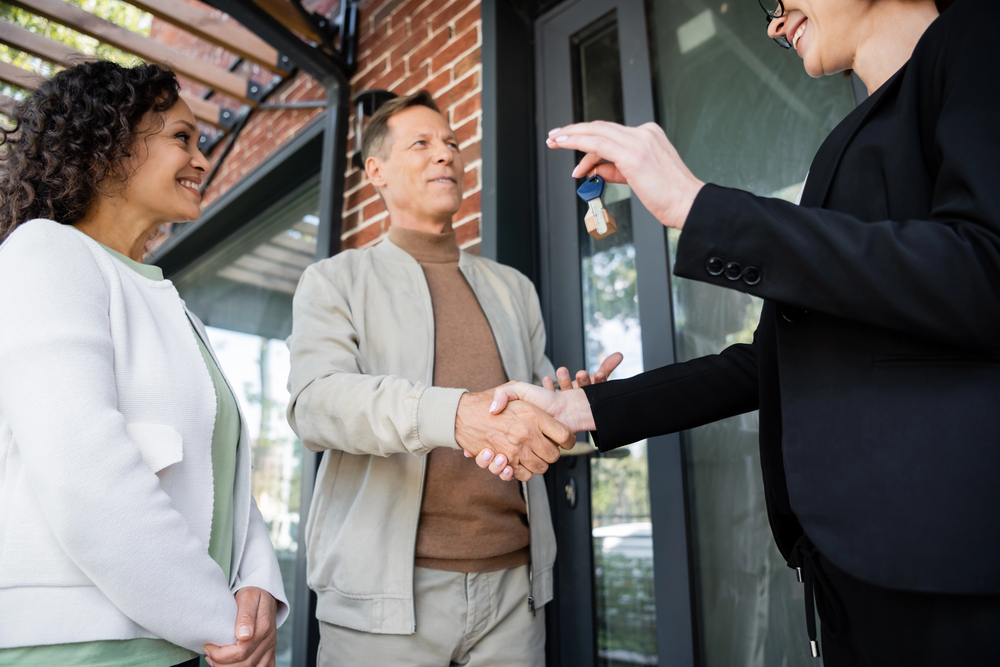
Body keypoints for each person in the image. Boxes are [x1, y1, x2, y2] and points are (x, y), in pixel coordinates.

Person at [485, 0, 1000, 664]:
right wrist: (578, 407)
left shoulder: (977, 38)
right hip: (847, 574)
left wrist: (700, 207)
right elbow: (764, 362)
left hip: (950, 573)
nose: (775, 21)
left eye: (781, 1)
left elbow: (985, 267)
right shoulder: (843, 147)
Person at [285, 89, 619, 666]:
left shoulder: (515, 289)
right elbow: (316, 404)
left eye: (453, 144)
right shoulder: (333, 280)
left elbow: (532, 422)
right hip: (383, 605)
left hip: (516, 595)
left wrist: (568, 412)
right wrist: (453, 415)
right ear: (376, 172)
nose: (446, 155)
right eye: (422, 143)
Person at [0, 61, 287, 667]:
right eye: (181, 137)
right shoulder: (44, 253)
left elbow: (222, 473)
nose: (203, 162)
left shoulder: (176, 307)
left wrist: (257, 583)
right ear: (103, 143)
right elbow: (84, 473)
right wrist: (222, 623)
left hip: (176, 646)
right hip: (77, 650)